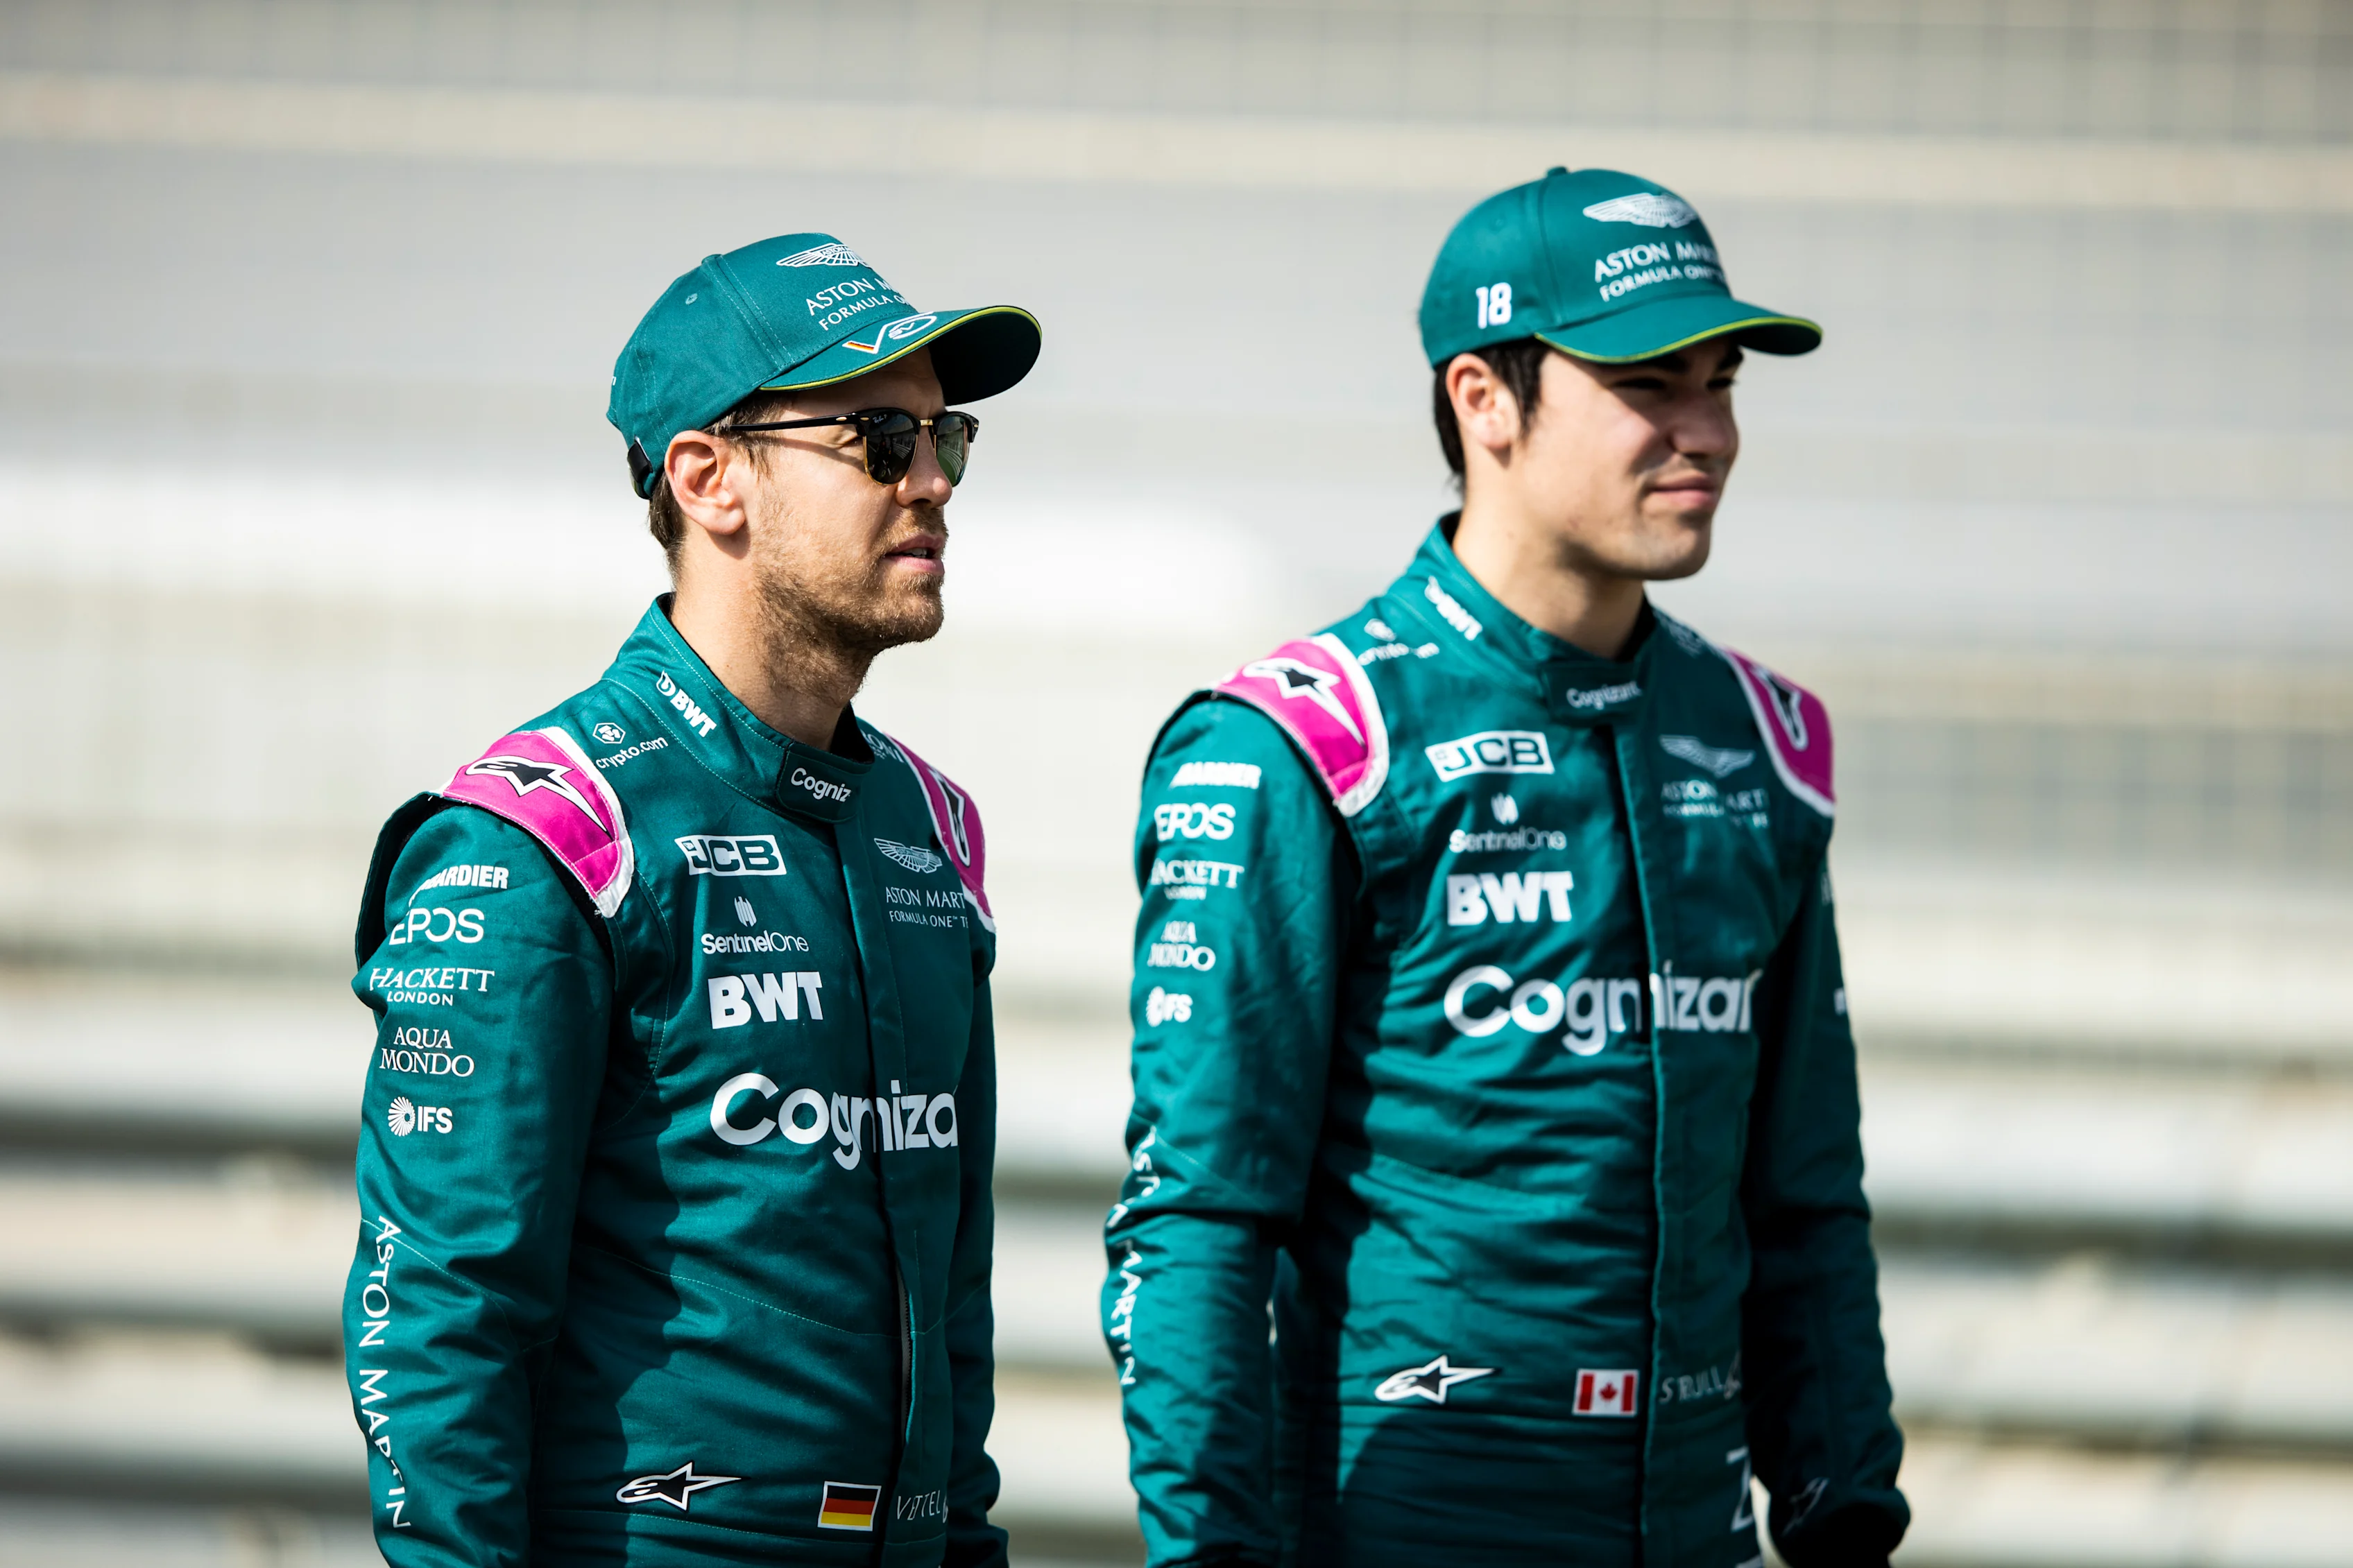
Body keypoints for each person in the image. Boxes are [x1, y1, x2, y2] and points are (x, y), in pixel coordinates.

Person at [1102, 169, 1906, 1567]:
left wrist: (1845, 1510)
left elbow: (1803, 1194)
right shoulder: (1308, 743)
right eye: (1650, 382)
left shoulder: (1761, 741)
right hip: (1403, 1516)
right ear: (1484, 399)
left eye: (1719, 383)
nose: (1703, 431)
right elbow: (1198, 1221)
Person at [342, 233, 1038, 1566]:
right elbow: (441, 1322)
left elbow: (953, 1311)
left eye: (950, 438)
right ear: (709, 479)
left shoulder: (934, 830)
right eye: (882, 439)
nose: (937, 480)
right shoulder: (546, 833)